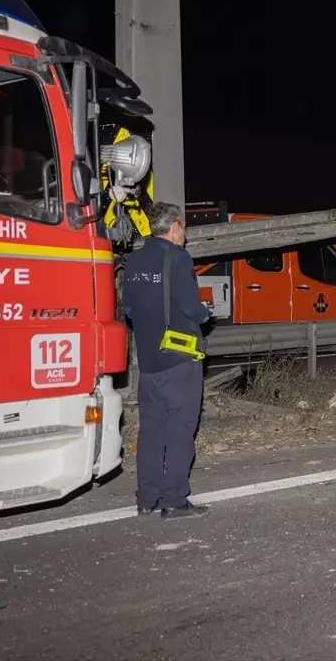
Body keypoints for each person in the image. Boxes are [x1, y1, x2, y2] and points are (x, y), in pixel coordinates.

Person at [122, 202, 211, 519]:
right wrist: (205, 312)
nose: (185, 235)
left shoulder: (134, 260)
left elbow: (129, 310)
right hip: (179, 359)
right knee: (180, 429)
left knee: (151, 430)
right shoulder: (178, 258)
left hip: (147, 361)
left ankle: (147, 498)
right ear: (174, 226)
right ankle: (173, 500)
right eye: (183, 228)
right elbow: (191, 309)